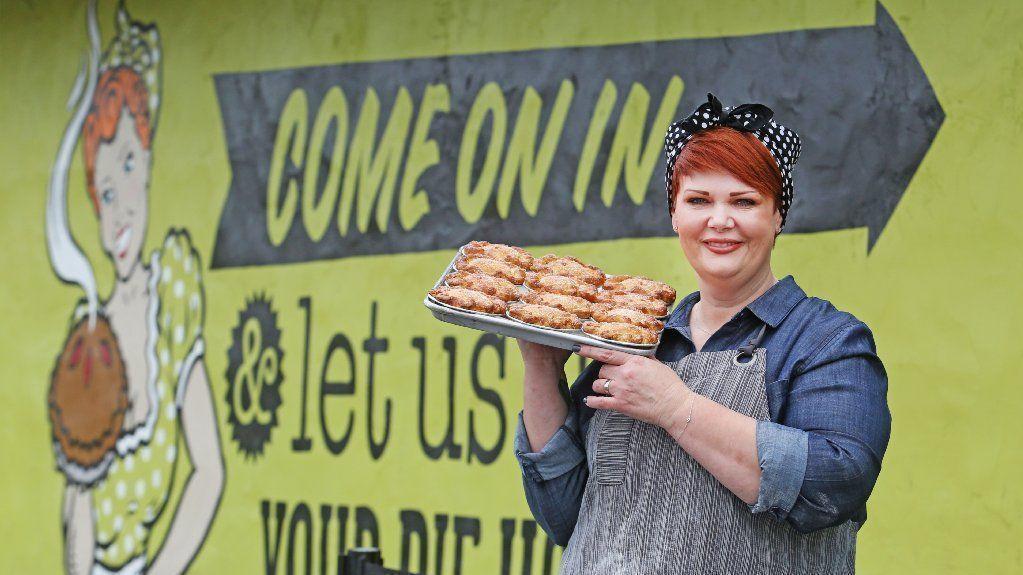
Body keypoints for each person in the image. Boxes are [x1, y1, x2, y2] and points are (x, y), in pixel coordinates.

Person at [513, 93, 891, 574]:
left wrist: (675, 407)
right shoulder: (635, 339)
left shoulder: (826, 341)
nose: (719, 220)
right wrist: (542, 369)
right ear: (674, 215)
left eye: (744, 201)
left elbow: (834, 484)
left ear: (777, 216)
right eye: (697, 200)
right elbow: (566, 517)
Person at [46, 4, 224, 573]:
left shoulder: (172, 300)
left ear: (147, 162)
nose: (118, 207)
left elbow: (209, 472)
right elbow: (79, 504)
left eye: (126, 166)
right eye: (102, 189)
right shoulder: (89, 331)